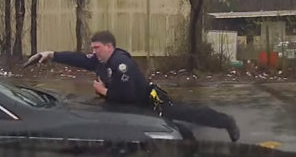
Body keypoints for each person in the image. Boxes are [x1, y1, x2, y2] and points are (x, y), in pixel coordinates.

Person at [24, 30, 240, 142]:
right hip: (130, 101)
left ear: (110, 47)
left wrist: (103, 91)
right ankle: (186, 141)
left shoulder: (120, 63)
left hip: (149, 96)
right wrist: (51, 54)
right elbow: (78, 58)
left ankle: (225, 122)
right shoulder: (99, 61)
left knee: (180, 114)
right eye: (93, 48)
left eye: (98, 47)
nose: (94, 51)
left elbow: (125, 94)